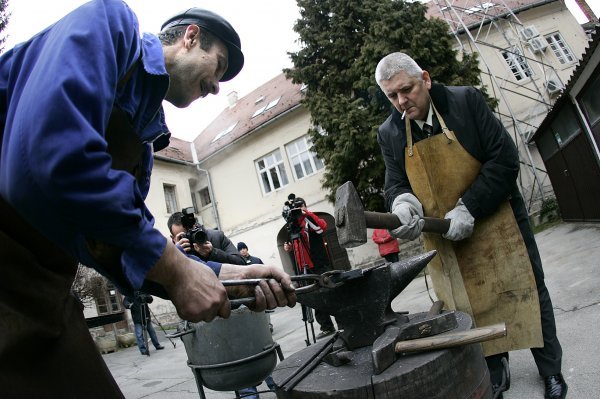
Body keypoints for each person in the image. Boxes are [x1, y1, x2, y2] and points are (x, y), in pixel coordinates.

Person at [0, 3, 296, 397]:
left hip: (37, 292)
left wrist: (224, 275)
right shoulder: (110, 25)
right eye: (218, 65)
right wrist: (175, 271)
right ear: (190, 37)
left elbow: (116, 247)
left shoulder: (141, 152)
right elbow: (44, 157)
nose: (215, 87)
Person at [375, 52, 567, 399]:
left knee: (528, 288)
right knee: (469, 302)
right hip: (446, 237)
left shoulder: (465, 101)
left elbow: (505, 159)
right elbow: (395, 183)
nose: (402, 101)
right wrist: (402, 204)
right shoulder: (390, 132)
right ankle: (495, 368)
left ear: (426, 80)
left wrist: (469, 207)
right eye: (392, 96)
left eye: (407, 89)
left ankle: (551, 369)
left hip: (499, 217)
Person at [283, 196, 339, 339]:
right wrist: (289, 246)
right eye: (297, 208)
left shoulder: (308, 219)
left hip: (319, 264)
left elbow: (322, 228)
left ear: (305, 206)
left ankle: (342, 320)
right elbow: (296, 243)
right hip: (305, 268)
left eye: (302, 206)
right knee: (314, 297)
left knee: (329, 293)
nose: (299, 210)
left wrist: (306, 213)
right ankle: (327, 327)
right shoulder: (293, 225)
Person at [168, 211, 246, 265]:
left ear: (194, 225)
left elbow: (241, 263)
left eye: (190, 231)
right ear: (173, 239)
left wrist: (213, 253)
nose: (189, 237)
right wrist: (177, 254)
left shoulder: (216, 236)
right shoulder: (171, 252)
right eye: (183, 236)